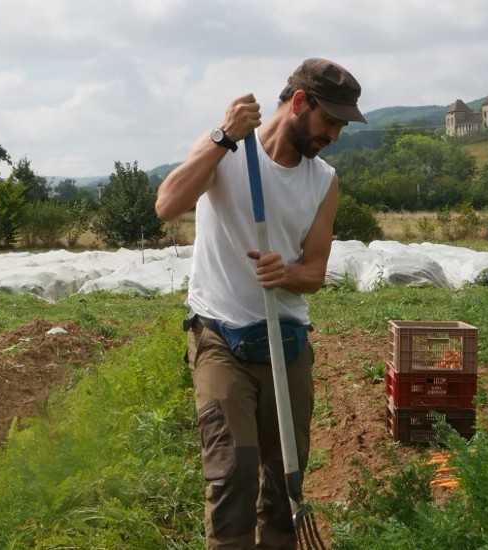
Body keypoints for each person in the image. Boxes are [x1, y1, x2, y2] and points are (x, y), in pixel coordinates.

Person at [155, 58, 365, 549]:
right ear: (298, 103)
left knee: (283, 479)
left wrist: (287, 274)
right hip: (220, 337)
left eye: (341, 124)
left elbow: (314, 271)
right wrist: (223, 136)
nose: (335, 134)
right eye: (330, 121)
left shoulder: (323, 182)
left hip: (286, 342)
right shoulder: (224, 152)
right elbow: (167, 206)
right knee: (233, 472)